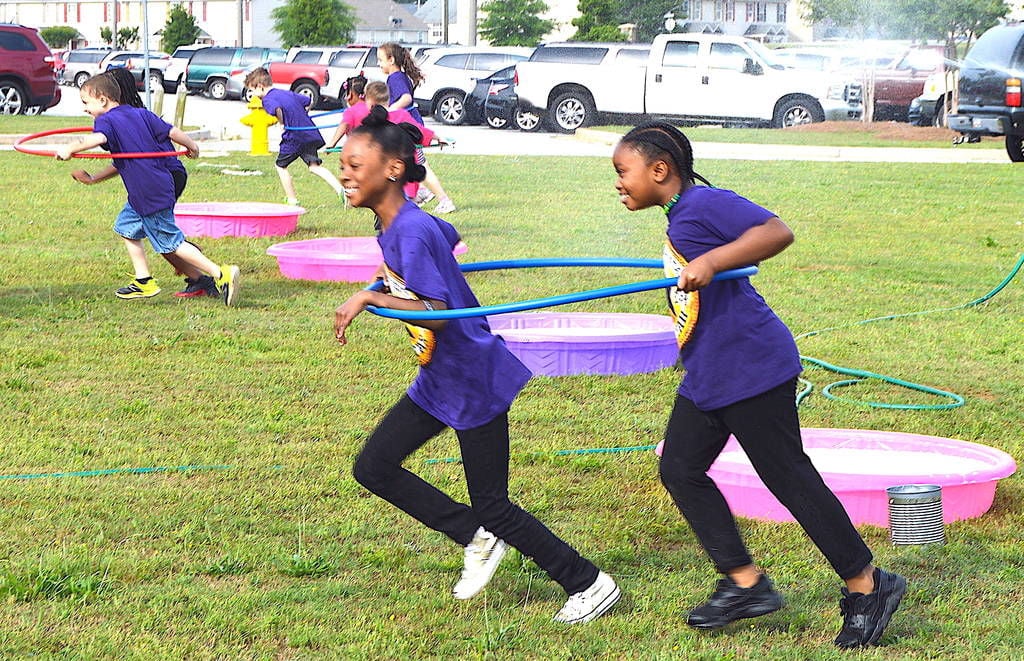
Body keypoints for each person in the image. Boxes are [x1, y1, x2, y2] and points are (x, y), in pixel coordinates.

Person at [611, 122, 906, 648]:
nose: (617, 182)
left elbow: (775, 232)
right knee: (679, 467)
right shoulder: (681, 214)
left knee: (788, 477)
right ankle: (745, 583)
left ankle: (869, 586)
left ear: (660, 170)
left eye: (621, 171)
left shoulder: (703, 203)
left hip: (750, 367)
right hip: (710, 370)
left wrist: (711, 260)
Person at [333, 106, 620, 624]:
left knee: (493, 505)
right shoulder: (400, 225)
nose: (344, 172)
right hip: (442, 378)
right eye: (343, 163)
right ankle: (473, 535)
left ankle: (588, 582)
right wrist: (380, 284)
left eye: (355, 163)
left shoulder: (410, 231)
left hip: (471, 378)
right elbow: (449, 234)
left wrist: (367, 300)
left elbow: (438, 313)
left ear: (394, 169)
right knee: (373, 466)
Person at [56, 74, 240, 305]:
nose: (85, 109)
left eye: (86, 102)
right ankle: (144, 281)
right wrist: (192, 146)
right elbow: (172, 131)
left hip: (147, 189)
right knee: (125, 226)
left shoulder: (106, 121)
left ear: (102, 100)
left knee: (170, 242)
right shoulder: (141, 114)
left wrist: (71, 148)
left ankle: (220, 273)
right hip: (156, 184)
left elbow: (98, 138)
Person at [243, 67, 344, 205]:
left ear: (260, 87)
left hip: (294, 136)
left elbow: (275, 108)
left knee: (280, 166)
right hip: (308, 132)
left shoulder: (267, 99)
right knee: (314, 166)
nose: (253, 94)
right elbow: (307, 101)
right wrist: (302, 115)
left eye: (252, 90)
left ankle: (292, 200)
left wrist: (282, 122)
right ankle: (340, 190)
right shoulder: (286, 93)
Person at [327, 79, 439, 202]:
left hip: (387, 178)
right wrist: (439, 138)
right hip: (403, 174)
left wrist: (333, 145)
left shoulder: (371, 123)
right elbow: (420, 131)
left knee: (393, 213)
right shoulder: (401, 115)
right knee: (401, 211)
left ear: (369, 102)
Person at [378, 41, 455, 214]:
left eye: (381, 59)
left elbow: (406, 98)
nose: (379, 64)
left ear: (391, 60)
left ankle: (444, 200)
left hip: (409, 129)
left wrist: (389, 111)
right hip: (407, 128)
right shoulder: (399, 76)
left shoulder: (395, 77)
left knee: (421, 165)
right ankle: (421, 192)